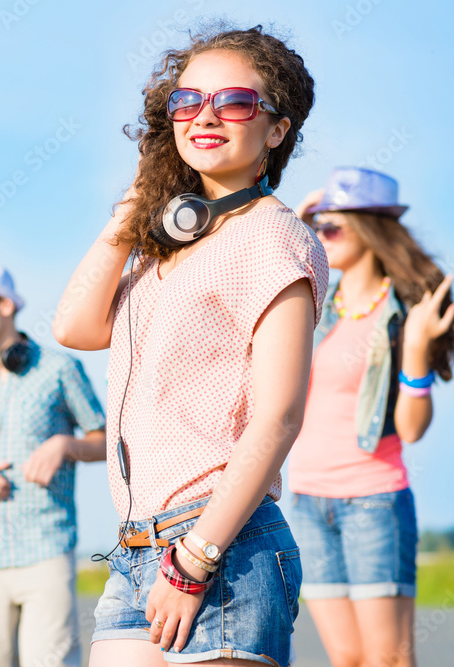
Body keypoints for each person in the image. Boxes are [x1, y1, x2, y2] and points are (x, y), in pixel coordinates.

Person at [54, 26, 330, 665]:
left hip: (220, 548)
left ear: (277, 129)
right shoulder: (161, 247)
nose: (205, 115)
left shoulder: (275, 240)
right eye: (187, 101)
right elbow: (75, 327)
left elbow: (279, 417)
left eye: (234, 102)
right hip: (134, 550)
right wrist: (134, 209)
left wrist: (195, 558)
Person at [290, 167, 453, 667]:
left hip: (373, 500)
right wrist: (297, 224)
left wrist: (420, 349)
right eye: (317, 226)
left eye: (332, 227)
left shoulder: (406, 313)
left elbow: (409, 428)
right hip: (308, 502)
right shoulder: (315, 306)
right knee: (347, 659)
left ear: (369, 229)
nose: (322, 236)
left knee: (387, 661)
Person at [0, 259, 107, 667]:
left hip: (47, 547)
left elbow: (104, 442)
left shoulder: (60, 369)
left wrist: (65, 445)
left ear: (7, 305)